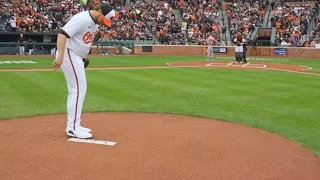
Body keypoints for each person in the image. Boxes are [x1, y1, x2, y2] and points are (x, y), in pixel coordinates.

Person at [52, 4, 116, 139]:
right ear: (99, 11)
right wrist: (61, 55)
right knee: (78, 89)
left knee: (78, 89)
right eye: (103, 19)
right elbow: (62, 33)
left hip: (77, 56)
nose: (103, 23)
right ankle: (73, 127)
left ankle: (75, 125)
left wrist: (84, 56)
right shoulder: (82, 19)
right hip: (69, 53)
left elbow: (83, 40)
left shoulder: (95, 21)